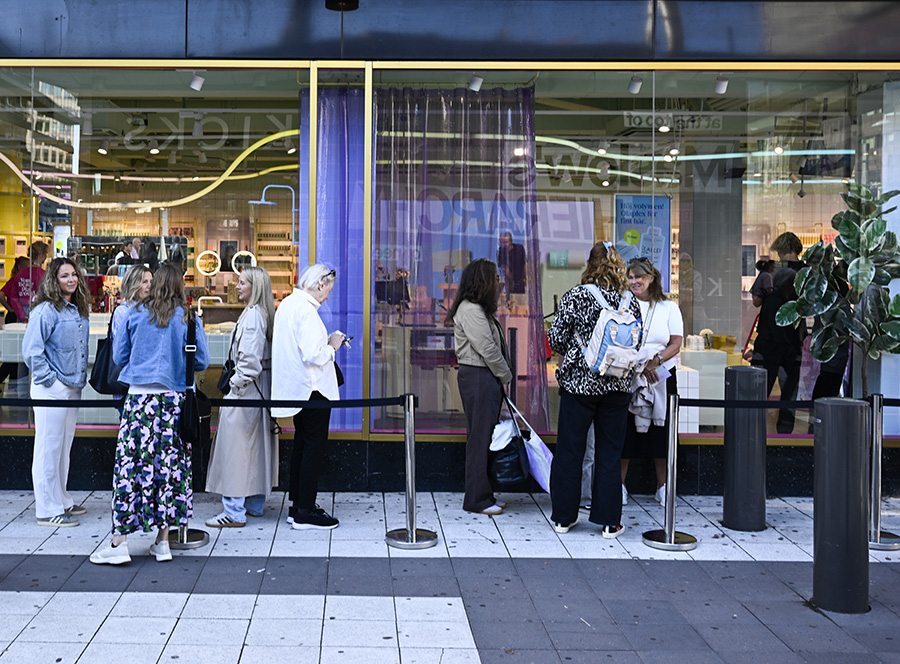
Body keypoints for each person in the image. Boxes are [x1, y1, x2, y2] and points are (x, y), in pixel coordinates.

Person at [90, 262, 210, 565]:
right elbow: (202, 361)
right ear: (180, 287)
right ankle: (162, 542)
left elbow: (119, 356)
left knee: (130, 470)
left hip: (139, 403)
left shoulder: (135, 314)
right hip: (173, 404)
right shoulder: (188, 318)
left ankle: (120, 543)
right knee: (169, 471)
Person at [547, 241, 641, 538]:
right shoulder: (630, 300)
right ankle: (610, 521)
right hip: (618, 385)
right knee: (610, 453)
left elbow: (557, 339)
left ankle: (564, 517)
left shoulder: (577, 296)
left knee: (570, 451)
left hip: (580, 385)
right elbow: (636, 342)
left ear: (590, 264)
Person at [271, 264, 347, 530]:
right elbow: (314, 355)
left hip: (298, 389)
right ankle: (305, 511)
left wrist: (324, 343)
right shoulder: (306, 310)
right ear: (319, 284)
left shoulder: (289, 305)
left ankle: (298, 506)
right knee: (312, 448)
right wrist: (333, 345)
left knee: (302, 446)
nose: (328, 296)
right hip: (313, 389)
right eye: (328, 289)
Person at [205, 266, 279, 527]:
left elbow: (248, 363)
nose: (237, 286)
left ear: (255, 287)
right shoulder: (263, 315)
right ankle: (254, 504)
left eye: (243, 282)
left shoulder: (252, 317)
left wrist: (233, 387)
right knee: (255, 447)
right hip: (258, 392)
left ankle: (234, 511)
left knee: (235, 450)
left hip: (245, 392)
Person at [22, 257, 91, 527]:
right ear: (54, 279)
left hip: (72, 386)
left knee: (63, 446)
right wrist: (51, 381)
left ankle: (61, 499)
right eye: (65, 276)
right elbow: (32, 351)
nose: (71, 280)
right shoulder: (45, 310)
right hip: (52, 388)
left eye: (74, 274)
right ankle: (47, 508)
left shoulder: (74, 308)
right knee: (48, 447)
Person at [449, 258, 513, 515]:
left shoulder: (476, 309)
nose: (498, 282)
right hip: (478, 376)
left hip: (483, 377)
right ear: (483, 281)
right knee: (479, 438)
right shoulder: (471, 310)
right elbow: (486, 348)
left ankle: (485, 494)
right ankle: (476, 499)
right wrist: (505, 375)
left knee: (483, 436)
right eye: (494, 278)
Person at [620, 257, 683, 507]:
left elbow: (676, 343)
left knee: (662, 434)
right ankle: (619, 486)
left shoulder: (669, 307)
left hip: (661, 376)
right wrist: (638, 366)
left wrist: (654, 361)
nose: (635, 281)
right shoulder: (624, 304)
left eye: (639, 277)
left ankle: (663, 487)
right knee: (625, 434)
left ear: (652, 278)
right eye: (631, 277)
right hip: (629, 375)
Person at [751, 268, 805, 434]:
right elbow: (779, 331)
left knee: (767, 390)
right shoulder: (778, 300)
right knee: (776, 389)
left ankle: (776, 422)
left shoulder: (777, 299)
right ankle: (781, 422)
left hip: (773, 352)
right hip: (775, 352)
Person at [0, 241, 49, 323]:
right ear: (41, 255)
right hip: (39, 313)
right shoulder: (43, 274)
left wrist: (21, 315)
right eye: (45, 254)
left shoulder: (20, 274)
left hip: (21, 314)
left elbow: (14, 298)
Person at [111, 264, 153, 338]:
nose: (149, 286)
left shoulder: (153, 309)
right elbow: (120, 344)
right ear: (133, 284)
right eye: (144, 282)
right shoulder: (123, 311)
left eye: (151, 281)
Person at [497, 231, 526, 296]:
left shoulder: (519, 249)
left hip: (520, 278)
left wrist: (525, 278)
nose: (504, 244)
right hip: (509, 280)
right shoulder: (501, 251)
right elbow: (504, 267)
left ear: (511, 241)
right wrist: (512, 279)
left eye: (506, 242)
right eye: (502, 242)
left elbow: (525, 264)